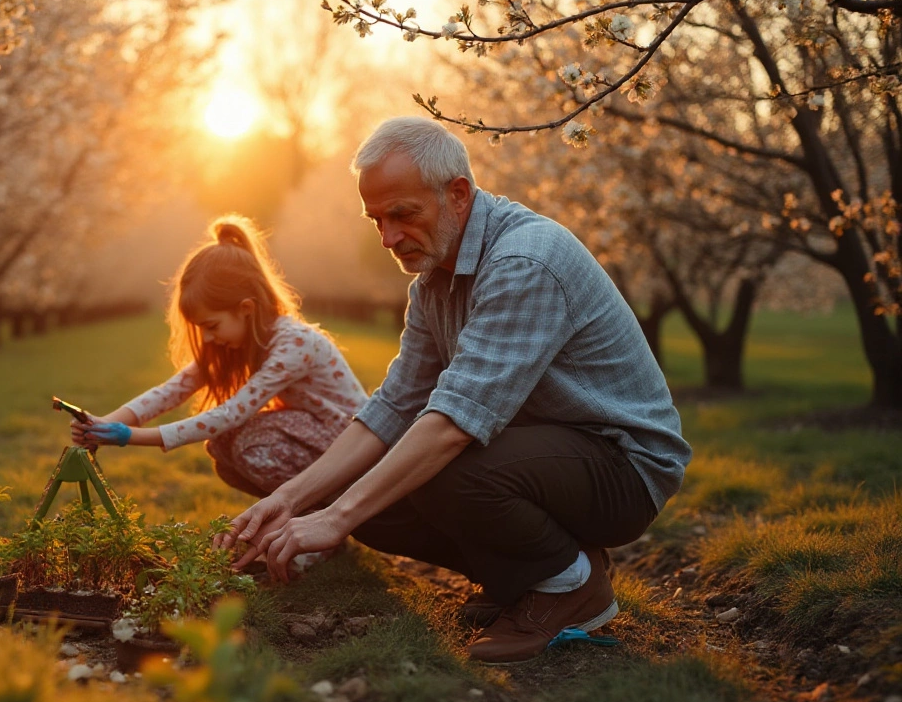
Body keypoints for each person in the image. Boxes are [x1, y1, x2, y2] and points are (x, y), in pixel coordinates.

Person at [216, 117, 692, 665]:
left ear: (458, 194)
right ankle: (530, 573)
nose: (389, 237)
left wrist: (334, 517)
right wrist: (294, 498)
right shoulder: (433, 283)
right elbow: (394, 405)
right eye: (377, 220)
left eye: (403, 215)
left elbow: (454, 422)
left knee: (437, 471)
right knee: (378, 495)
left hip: (622, 467)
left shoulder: (523, 261)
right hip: (542, 454)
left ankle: (571, 587)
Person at [72, 214, 369, 499]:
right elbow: (171, 391)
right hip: (321, 436)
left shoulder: (295, 344)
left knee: (249, 442)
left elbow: (230, 414)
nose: (208, 338)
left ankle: (317, 520)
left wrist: (128, 436)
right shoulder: (241, 341)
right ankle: (299, 517)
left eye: (212, 326)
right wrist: (101, 425)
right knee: (222, 446)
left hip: (354, 446)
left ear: (246, 309)